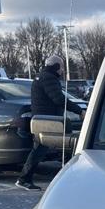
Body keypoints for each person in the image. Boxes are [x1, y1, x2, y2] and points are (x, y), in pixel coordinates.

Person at [16, 54, 67, 191]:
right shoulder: (49, 78)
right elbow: (59, 99)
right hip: (46, 120)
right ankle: (24, 179)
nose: (62, 70)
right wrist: (79, 110)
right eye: (61, 67)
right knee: (39, 149)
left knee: (40, 149)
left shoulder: (41, 77)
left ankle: (25, 178)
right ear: (56, 67)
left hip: (41, 118)